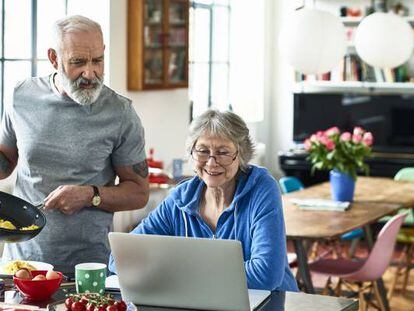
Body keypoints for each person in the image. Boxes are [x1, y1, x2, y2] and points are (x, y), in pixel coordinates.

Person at [0, 15, 149, 272]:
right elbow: (5, 160)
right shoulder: (21, 96)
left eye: (98, 61)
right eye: (78, 62)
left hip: (88, 267)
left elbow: (139, 192)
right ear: (54, 58)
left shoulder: (120, 113)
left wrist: (90, 195)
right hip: (20, 264)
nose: (90, 73)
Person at [109, 110, 298, 292]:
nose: (211, 162)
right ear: (192, 153)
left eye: (223, 152)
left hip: (270, 303)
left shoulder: (261, 188)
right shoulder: (181, 198)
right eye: (202, 151)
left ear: (241, 155)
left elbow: (266, 274)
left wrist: (179, 273)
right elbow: (119, 258)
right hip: (203, 302)